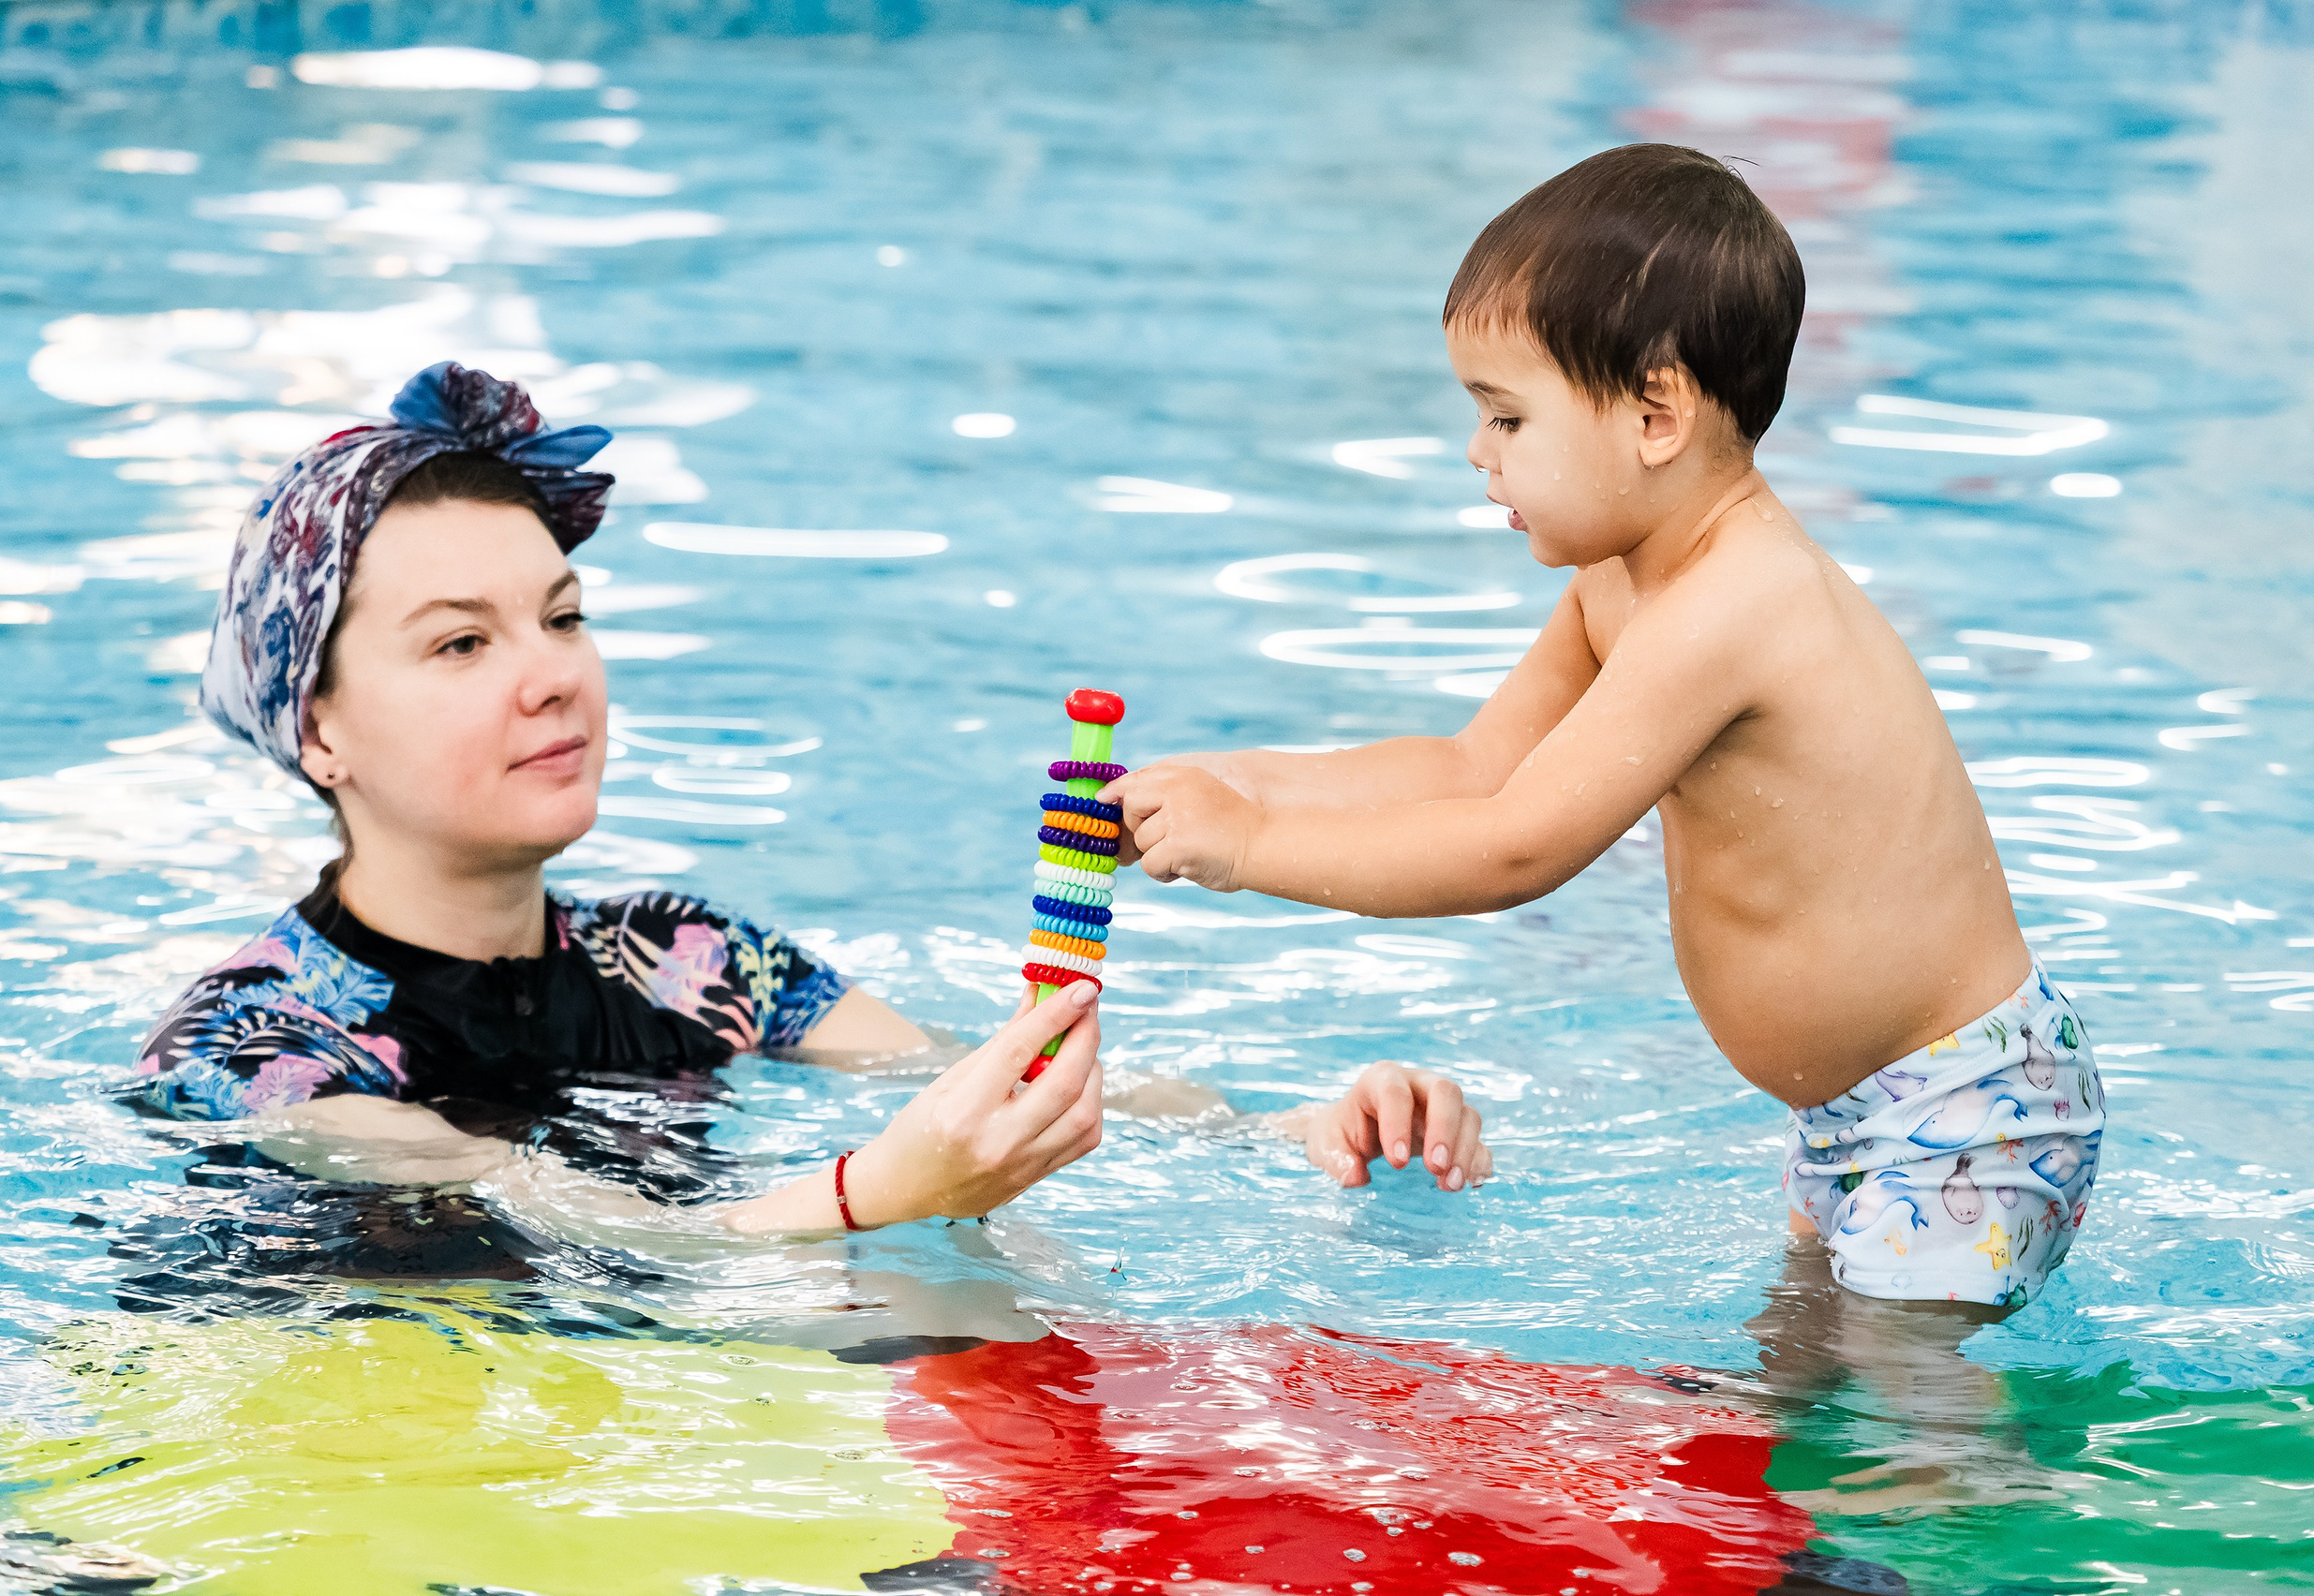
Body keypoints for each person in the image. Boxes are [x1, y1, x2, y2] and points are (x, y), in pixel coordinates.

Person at [135, 361, 1489, 1243]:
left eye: (563, 617)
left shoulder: (686, 955)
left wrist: (1289, 1127)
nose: (553, 678)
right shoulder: (252, 1042)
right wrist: (871, 1194)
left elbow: (954, 1082)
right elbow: (571, 1224)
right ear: (317, 729)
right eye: (461, 644)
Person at [1107, 144, 2103, 1308]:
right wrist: (1226, 784)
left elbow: (1515, 846)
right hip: (1855, 1114)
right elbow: (1470, 766)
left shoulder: (1736, 603)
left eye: (1506, 416)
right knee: (1806, 1405)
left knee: (1897, 1443)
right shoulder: (1621, 584)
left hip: (1965, 1114)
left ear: (1653, 414)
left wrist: (1247, 852)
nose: (1477, 452)